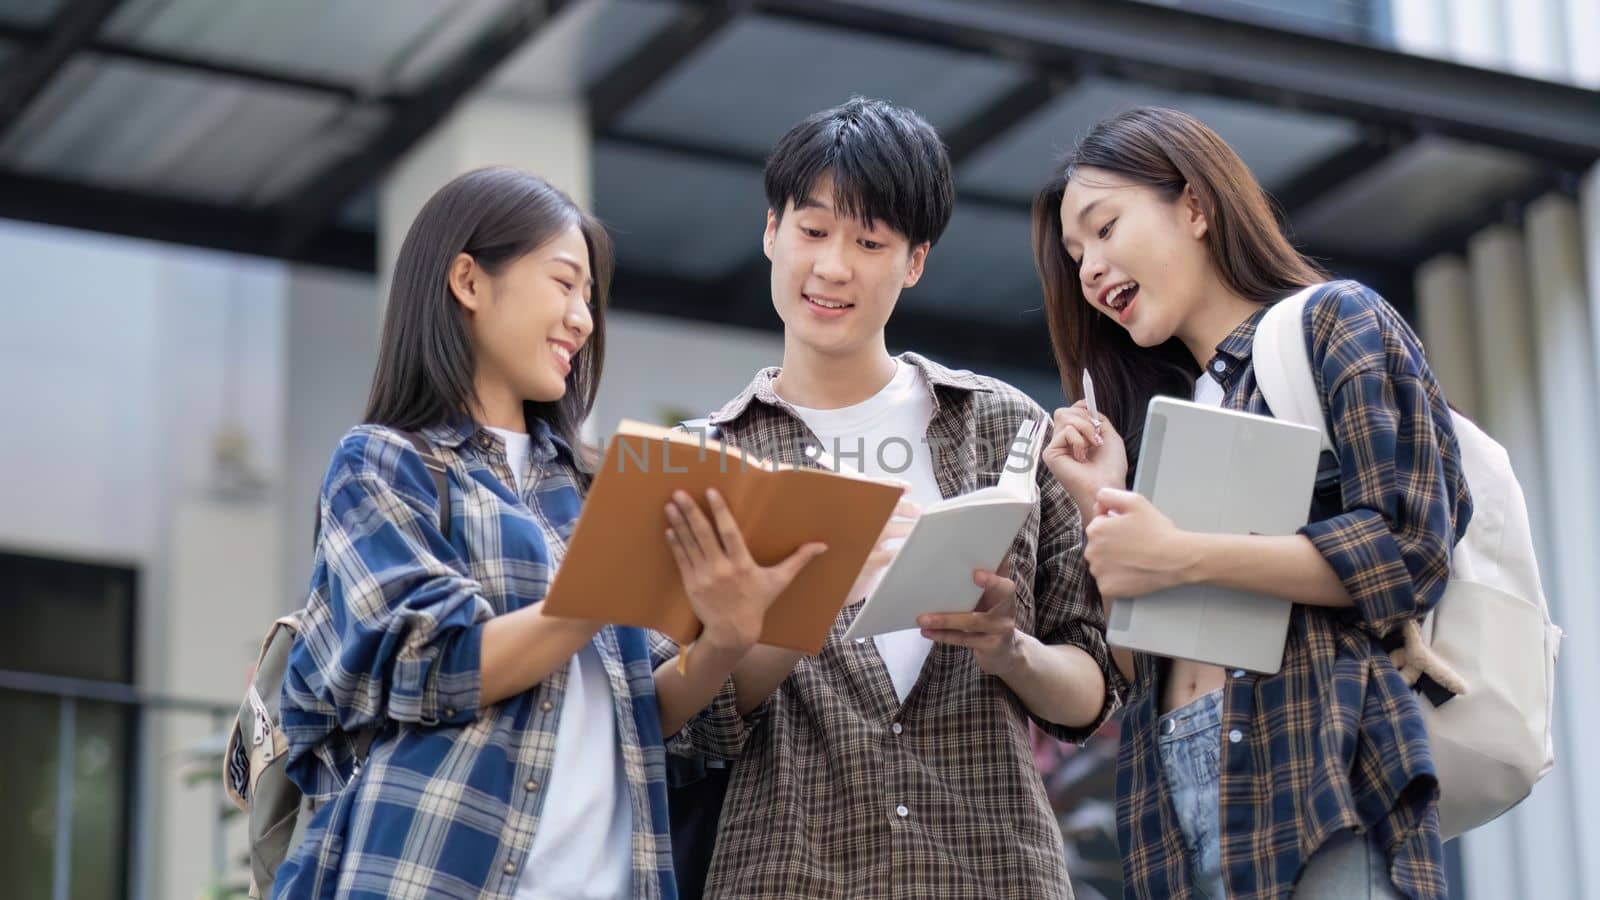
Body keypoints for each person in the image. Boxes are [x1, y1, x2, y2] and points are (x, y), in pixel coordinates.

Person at [273, 166, 823, 899]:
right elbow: (434, 663)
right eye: (564, 285)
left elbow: (648, 720)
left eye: (590, 299)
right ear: (468, 280)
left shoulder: (596, 488)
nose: (583, 320)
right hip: (428, 874)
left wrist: (725, 638)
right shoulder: (384, 462)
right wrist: (610, 580)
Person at [653, 97, 1118, 899]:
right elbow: (678, 720)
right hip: (788, 872)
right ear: (771, 232)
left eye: (870, 242)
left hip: (994, 869)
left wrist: (1010, 649)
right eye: (812, 231)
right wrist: (809, 590)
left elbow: (1090, 689)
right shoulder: (702, 460)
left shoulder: (1003, 427)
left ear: (915, 261)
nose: (833, 267)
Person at [1035, 107, 1472, 900]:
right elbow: (1138, 668)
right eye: (1075, 256)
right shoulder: (1158, 422)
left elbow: (1410, 549)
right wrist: (1106, 500)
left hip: (1318, 771)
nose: (1090, 269)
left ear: (1196, 207)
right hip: (1171, 794)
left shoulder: (1334, 323)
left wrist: (1179, 554)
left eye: (1105, 229)